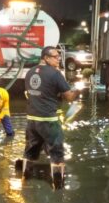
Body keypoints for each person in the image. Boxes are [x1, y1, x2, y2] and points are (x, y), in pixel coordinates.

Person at [22, 46, 82, 189]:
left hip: (32, 120)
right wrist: (78, 90)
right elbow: (68, 97)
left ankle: (24, 178)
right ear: (46, 58)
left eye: (58, 56)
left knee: (30, 151)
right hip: (48, 121)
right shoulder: (55, 74)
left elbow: (36, 92)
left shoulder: (30, 72)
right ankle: (58, 185)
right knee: (57, 154)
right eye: (55, 57)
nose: (58, 59)